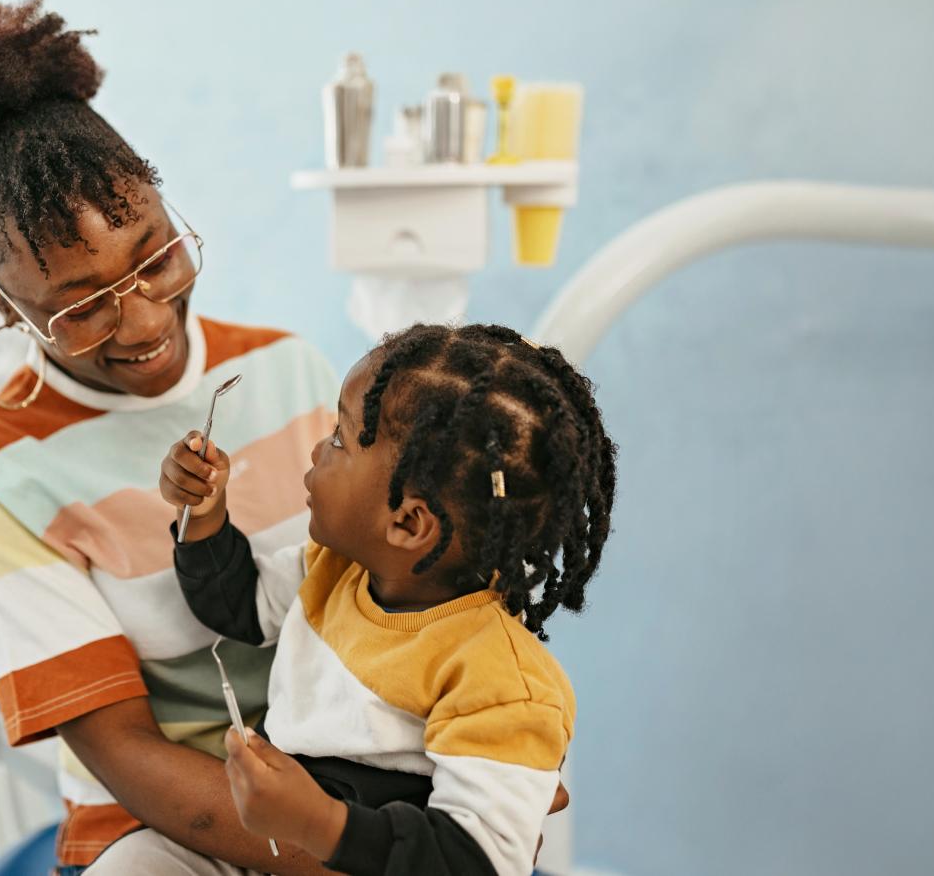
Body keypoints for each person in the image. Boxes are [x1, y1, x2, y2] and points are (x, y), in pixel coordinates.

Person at [0, 0, 342, 873]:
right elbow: (121, 747)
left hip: (353, 778)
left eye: (155, 256)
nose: (143, 321)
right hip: (164, 826)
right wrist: (350, 858)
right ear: (2, 300)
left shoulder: (292, 372)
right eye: (80, 306)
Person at [98, 322, 615, 875]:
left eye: (340, 439)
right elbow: (238, 606)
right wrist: (204, 517)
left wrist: (320, 824)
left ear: (408, 521)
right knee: (137, 861)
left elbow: (476, 861)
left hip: (370, 860)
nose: (319, 449)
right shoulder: (333, 574)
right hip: (277, 845)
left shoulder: (502, 682)